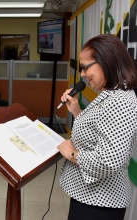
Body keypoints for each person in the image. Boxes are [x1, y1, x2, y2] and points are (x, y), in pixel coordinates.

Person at [57, 34, 137, 220]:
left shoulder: (120, 101)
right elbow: (98, 130)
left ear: (107, 61)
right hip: (89, 196)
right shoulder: (111, 93)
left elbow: (108, 161)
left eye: (85, 67)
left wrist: (72, 154)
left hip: (101, 202)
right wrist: (76, 110)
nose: (82, 74)